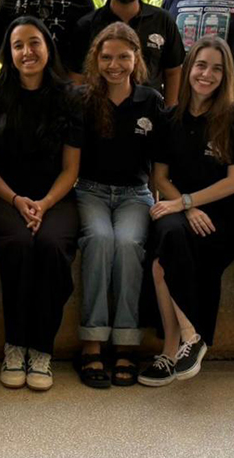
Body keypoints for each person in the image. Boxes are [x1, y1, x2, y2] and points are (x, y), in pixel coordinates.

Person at [138, 36, 234, 387]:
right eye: (201, 65)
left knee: (163, 259)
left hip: (223, 216)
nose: (207, 74)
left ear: (225, 76)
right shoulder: (170, 118)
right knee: (168, 237)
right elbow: (160, 178)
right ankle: (189, 338)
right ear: (189, 68)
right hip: (182, 208)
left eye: (216, 69)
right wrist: (186, 207)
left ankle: (172, 349)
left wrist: (186, 203)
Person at [0, 17, 81, 391]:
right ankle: (14, 345)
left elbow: (71, 168)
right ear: (9, 53)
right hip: (5, 196)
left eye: (34, 43)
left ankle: (41, 349)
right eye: (18, 45)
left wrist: (45, 203)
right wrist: (17, 200)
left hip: (56, 196)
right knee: (20, 245)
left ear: (47, 47)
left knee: (52, 246)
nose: (27, 52)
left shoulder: (69, 98)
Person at [74, 22, 163, 388]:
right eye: (107, 57)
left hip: (134, 195)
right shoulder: (83, 99)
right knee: (99, 240)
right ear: (96, 59)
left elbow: (158, 164)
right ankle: (92, 342)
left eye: (123, 57)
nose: (114, 65)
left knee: (127, 244)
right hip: (90, 191)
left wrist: (163, 203)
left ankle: (126, 343)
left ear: (136, 58)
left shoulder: (150, 101)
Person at [71, 0, 184, 105]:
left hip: (149, 114)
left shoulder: (162, 21)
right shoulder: (88, 24)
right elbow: (77, 77)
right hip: (98, 112)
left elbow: (173, 72)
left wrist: (169, 112)